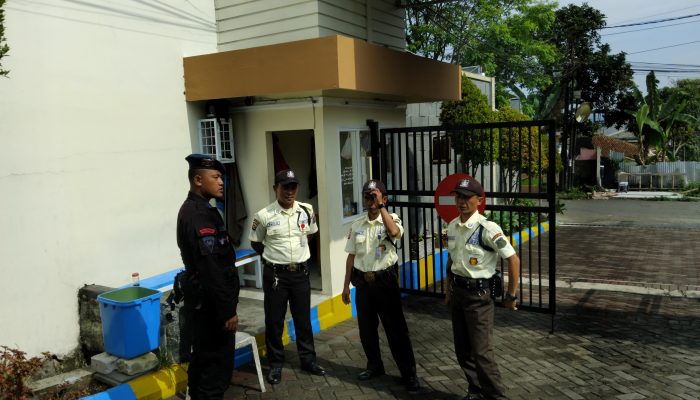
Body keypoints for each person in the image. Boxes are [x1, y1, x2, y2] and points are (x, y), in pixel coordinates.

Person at [444, 177, 520, 400]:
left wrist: (511, 295)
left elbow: (513, 260)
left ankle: (496, 396)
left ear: (479, 200)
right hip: (458, 293)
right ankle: (475, 390)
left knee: (482, 353)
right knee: (462, 350)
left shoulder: (487, 228)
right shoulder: (452, 226)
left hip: (479, 297)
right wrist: (448, 292)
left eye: (467, 197)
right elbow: (452, 260)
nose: (461, 201)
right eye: (458, 196)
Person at [342, 179, 420, 392]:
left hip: (385, 283)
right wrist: (345, 286)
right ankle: (374, 366)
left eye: (375, 196)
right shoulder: (357, 225)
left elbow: (394, 232)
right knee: (366, 330)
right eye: (367, 196)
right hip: (363, 284)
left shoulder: (391, 218)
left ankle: (409, 374)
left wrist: (382, 207)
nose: (370, 200)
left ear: (384, 199)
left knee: (396, 331)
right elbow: (351, 257)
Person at [249, 169, 326, 384]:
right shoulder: (263, 215)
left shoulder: (306, 210)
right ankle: (275, 364)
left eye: (293, 187)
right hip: (276, 276)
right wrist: (276, 257)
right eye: (285, 187)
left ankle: (308, 360)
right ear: (276, 189)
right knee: (274, 320)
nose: (290, 192)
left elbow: (310, 233)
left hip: (300, 273)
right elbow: (256, 243)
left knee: (303, 319)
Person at [176, 154, 240, 399]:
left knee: (203, 369)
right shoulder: (197, 215)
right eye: (215, 177)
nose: (221, 182)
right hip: (212, 312)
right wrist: (227, 311)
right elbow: (210, 269)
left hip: (208, 307)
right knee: (214, 375)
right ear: (198, 180)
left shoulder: (204, 210)